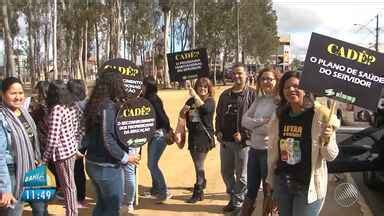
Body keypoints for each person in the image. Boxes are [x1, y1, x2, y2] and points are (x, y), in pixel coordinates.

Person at [264, 71, 340, 216]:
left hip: (307, 186)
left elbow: (331, 156)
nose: (291, 90)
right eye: (286, 87)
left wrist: (327, 140)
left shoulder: (320, 116)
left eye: (296, 86)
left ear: (305, 90)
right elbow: (274, 154)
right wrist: (270, 181)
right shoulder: (279, 116)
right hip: (283, 183)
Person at [84, 69, 140, 216]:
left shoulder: (94, 104)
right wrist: (126, 157)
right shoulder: (107, 106)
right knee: (111, 209)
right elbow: (107, 138)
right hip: (107, 167)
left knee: (102, 205)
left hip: (92, 163)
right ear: (115, 84)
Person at [0, 77, 48, 216]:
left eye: (20, 93)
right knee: (14, 211)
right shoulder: (2, 118)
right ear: (3, 94)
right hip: (12, 172)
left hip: (33, 168)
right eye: (13, 93)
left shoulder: (25, 113)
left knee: (41, 209)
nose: (18, 97)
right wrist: (5, 189)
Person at [215, 63, 257, 213]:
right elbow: (218, 115)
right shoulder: (224, 95)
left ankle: (238, 203)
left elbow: (258, 120)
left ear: (247, 75)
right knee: (226, 172)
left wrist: (245, 135)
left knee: (241, 176)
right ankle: (235, 197)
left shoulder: (253, 95)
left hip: (243, 144)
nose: (237, 76)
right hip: (225, 142)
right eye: (234, 73)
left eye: (240, 73)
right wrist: (218, 131)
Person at [239, 68, 280, 216]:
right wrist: (262, 121)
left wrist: (254, 125)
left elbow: (270, 129)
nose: (266, 82)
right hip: (254, 150)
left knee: (269, 190)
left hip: (268, 152)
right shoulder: (259, 99)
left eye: (269, 79)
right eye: (263, 79)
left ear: (276, 80)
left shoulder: (279, 102)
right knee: (251, 189)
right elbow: (244, 120)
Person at [43, 80, 83, 216]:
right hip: (71, 150)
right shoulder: (71, 105)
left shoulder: (57, 110)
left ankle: (72, 213)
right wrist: (75, 144)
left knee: (68, 186)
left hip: (63, 154)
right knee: (70, 185)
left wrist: (44, 158)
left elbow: (52, 138)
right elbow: (79, 128)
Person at [179, 77, 215, 203]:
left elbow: (205, 110)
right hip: (193, 136)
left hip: (204, 137)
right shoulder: (190, 100)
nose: (202, 89)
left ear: (209, 89)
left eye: (205, 87)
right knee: (197, 164)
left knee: (199, 165)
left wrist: (194, 95)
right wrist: (183, 112)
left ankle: (199, 191)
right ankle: (202, 182)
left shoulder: (210, 101)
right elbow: (182, 114)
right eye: (200, 86)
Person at [142, 76, 173, 203]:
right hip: (153, 135)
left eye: (143, 85)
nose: (141, 87)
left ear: (148, 87)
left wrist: (168, 131)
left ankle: (164, 191)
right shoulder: (147, 99)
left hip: (159, 134)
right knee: (151, 163)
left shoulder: (153, 100)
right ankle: (155, 190)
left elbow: (162, 117)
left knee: (152, 164)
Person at [67, 79, 88, 208]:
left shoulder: (74, 105)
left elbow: (74, 128)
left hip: (77, 143)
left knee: (76, 170)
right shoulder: (88, 102)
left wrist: (74, 146)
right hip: (87, 140)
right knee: (80, 170)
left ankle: (79, 198)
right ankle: (81, 197)